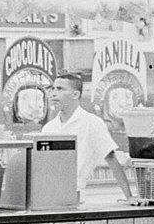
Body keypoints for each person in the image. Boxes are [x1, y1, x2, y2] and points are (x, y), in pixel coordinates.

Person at [42, 72, 142, 205]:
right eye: (53, 89)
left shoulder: (91, 123)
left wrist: (129, 197)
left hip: (75, 196)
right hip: (46, 195)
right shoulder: (49, 128)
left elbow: (111, 159)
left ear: (75, 94)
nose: (54, 93)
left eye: (60, 89)